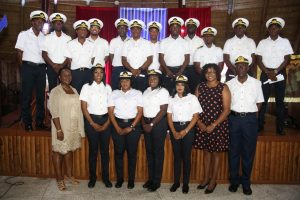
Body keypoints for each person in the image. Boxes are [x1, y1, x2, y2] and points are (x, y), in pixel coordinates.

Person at [226, 55, 264, 195]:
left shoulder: (256, 83)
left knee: (248, 153)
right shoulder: (229, 84)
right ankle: (234, 182)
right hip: (234, 120)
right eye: (238, 65)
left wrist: (250, 116)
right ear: (235, 68)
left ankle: (246, 183)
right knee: (234, 151)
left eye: (243, 65)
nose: (241, 68)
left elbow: (259, 102)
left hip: (249, 121)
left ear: (248, 67)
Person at [194, 63, 231, 194]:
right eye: (207, 72)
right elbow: (194, 106)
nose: (210, 74)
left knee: (215, 153)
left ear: (217, 74)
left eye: (213, 72)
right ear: (204, 74)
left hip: (218, 125)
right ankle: (205, 178)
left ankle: (213, 180)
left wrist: (213, 125)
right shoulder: (200, 87)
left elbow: (226, 110)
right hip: (202, 124)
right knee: (206, 152)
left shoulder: (223, 87)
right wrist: (199, 123)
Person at [48, 67, 85, 191]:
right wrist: (59, 129)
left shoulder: (74, 90)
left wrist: (80, 128)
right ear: (59, 77)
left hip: (72, 127)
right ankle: (59, 179)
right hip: (61, 126)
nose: (67, 77)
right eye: (64, 75)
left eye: (69, 75)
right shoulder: (55, 91)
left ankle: (69, 175)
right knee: (58, 152)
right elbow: (54, 111)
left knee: (69, 151)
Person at [256, 17, 294, 135]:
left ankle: (280, 128)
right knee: (263, 100)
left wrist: (276, 71)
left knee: (279, 101)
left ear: (279, 29)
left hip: (280, 73)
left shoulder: (285, 41)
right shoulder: (262, 42)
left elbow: (287, 59)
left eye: (276, 27)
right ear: (268, 29)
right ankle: (260, 125)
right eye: (271, 28)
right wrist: (267, 72)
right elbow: (258, 59)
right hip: (265, 73)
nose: (273, 29)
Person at [108, 71, 143, 189]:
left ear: (131, 81)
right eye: (122, 80)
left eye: (127, 80)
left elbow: (140, 112)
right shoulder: (114, 93)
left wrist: (131, 127)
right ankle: (120, 179)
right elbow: (110, 112)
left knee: (132, 153)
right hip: (117, 124)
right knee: (118, 153)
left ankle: (131, 180)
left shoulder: (137, 93)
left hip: (133, 125)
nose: (124, 82)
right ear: (119, 82)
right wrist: (117, 127)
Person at [167, 75, 202, 194]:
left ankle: (185, 183)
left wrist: (185, 131)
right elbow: (169, 116)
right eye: (177, 84)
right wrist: (174, 132)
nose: (179, 87)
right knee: (177, 157)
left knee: (186, 157)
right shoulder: (171, 98)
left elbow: (196, 116)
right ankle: (176, 182)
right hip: (175, 128)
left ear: (186, 86)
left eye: (182, 84)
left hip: (188, 128)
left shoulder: (192, 98)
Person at [80, 63, 112, 188]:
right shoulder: (86, 87)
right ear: (92, 74)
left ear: (104, 74)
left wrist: (107, 123)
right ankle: (92, 178)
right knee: (93, 151)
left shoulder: (108, 88)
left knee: (105, 152)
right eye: (96, 72)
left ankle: (106, 178)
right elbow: (83, 107)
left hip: (106, 120)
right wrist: (92, 123)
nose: (99, 75)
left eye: (101, 72)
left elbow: (111, 108)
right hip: (91, 120)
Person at [15, 10, 48, 131]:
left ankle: (39, 122)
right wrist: (23, 69)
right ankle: (27, 122)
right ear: (32, 22)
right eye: (38, 21)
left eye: (42, 22)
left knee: (40, 97)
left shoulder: (45, 37)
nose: (40, 23)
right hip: (28, 67)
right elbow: (19, 53)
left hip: (41, 69)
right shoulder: (23, 34)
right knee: (27, 96)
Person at [142, 69, 169, 192]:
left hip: (158, 124)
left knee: (158, 153)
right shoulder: (146, 91)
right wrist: (144, 123)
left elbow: (163, 110)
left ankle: (156, 181)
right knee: (149, 152)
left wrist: (151, 124)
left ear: (159, 79)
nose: (152, 80)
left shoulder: (163, 91)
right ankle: (151, 178)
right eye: (150, 78)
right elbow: (142, 109)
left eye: (155, 78)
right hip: (147, 123)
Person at [159, 16, 189, 94]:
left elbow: (187, 59)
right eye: (173, 27)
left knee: (181, 93)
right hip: (167, 70)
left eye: (177, 27)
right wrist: (167, 70)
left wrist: (181, 71)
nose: (175, 29)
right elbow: (161, 58)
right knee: (167, 92)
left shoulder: (185, 42)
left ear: (180, 29)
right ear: (170, 28)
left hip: (181, 70)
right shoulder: (163, 42)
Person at [42, 13, 71, 92]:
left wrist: (61, 66)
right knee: (52, 91)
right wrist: (54, 65)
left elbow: (69, 56)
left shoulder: (68, 38)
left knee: (65, 90)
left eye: (60, 22)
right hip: (51, 67)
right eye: (56, 22)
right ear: (53, 24)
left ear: (62, 24)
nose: (58, 24)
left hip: (64, 68)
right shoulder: (47, 37)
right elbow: (44, 54)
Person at [64, 20, 96, 93]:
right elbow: (69, 60)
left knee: (87, 94)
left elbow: (92, 59)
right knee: (75, 93)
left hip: (88, 73)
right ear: (76, 31)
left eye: (85, 30)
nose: (83, 31)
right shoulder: (70, 44)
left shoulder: (91, 44)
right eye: (81, 30)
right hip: (75, 73)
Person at [122, 19, 153, 92]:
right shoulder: (126, 43)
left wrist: (140, 69)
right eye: (133, 29)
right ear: (131, 30)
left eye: (137, 29)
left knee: (143, 94)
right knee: (129, 95)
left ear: (141, 30)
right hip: (129, 73)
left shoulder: (147, 43)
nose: (135, 31)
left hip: (142, 73)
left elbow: (150, 59)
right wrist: (131, 69)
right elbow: (123, 60)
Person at [184, 18, 204, 93]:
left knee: (196, 89)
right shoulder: (182, 40)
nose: (191, 28)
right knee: (184, 89)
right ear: (186, 28)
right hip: (184, 68)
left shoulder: (201, 41)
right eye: (189, 26)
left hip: (196, 69)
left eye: (193, 26)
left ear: (196, 28)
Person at [109, 18, 130, 90]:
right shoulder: (113, 41)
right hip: (117, 68)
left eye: (123, 28)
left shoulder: (131, 41)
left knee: (127, 89)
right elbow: (111, 55)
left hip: (128, 68)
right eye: (120, 28)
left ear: (127, 29)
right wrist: (116, 64)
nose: (122, 30)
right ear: (117, 30)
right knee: (115, 88)